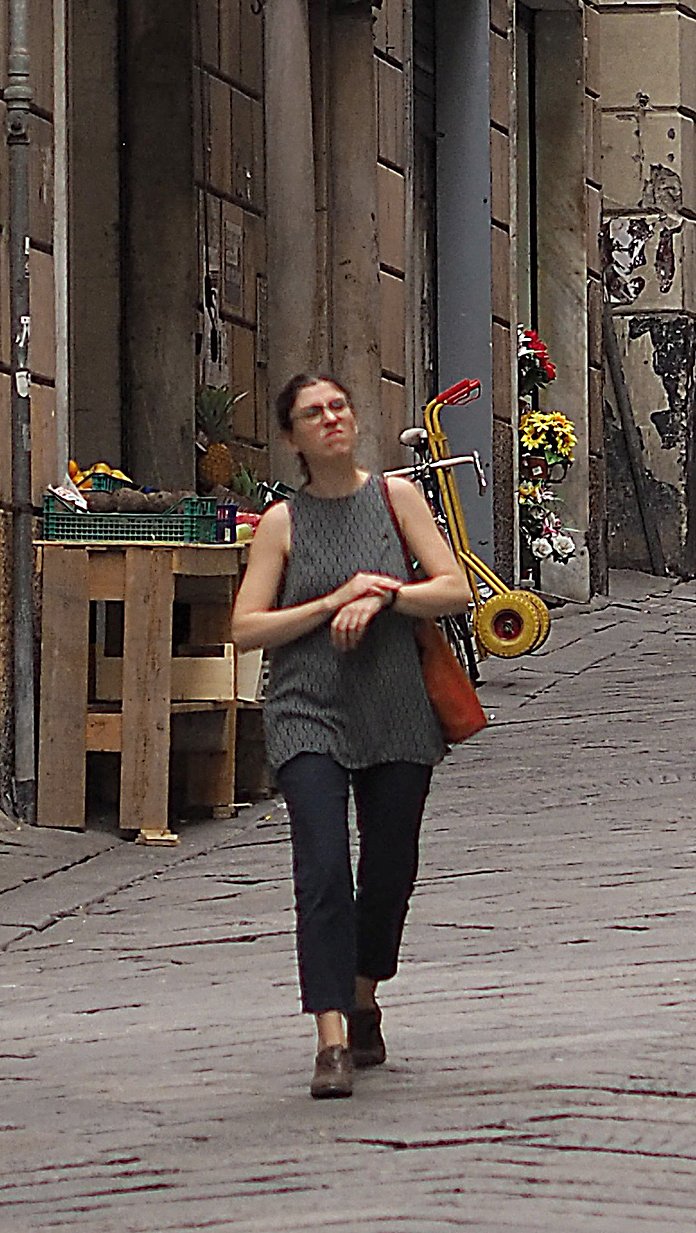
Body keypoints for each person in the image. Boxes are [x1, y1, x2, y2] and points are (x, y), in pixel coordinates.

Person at [232, 371, 473, 1100]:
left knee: (390, 867)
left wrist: (385, 593)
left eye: (340, 405)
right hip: (307, 709)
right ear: (291, 436)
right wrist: (333, 599)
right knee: (324, 868)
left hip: (396, 707)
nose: (332, 418)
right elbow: (246, 627)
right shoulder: (282, 521)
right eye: (314, 412)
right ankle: (331, 1036)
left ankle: (365, 991)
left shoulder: (397, 499)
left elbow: (454, 586)